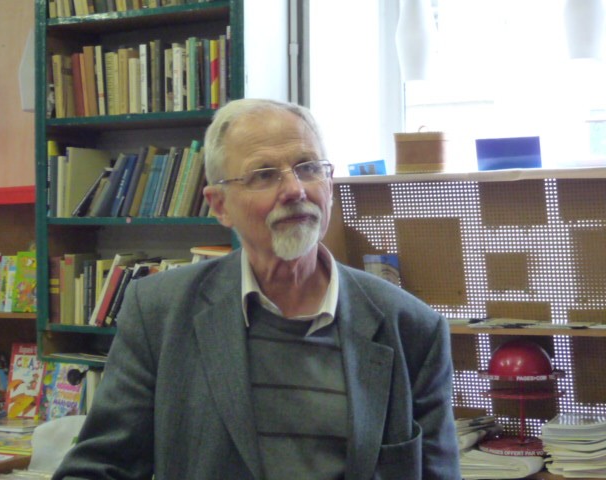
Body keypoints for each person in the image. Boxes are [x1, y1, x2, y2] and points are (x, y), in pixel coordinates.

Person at [53, 99, 461, 480]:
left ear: (329, 184)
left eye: (308, 168)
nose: (295, 189)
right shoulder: (159, 313)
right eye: (264, 174)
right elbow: (101, 467)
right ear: (220, 205)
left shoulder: (412, 329)